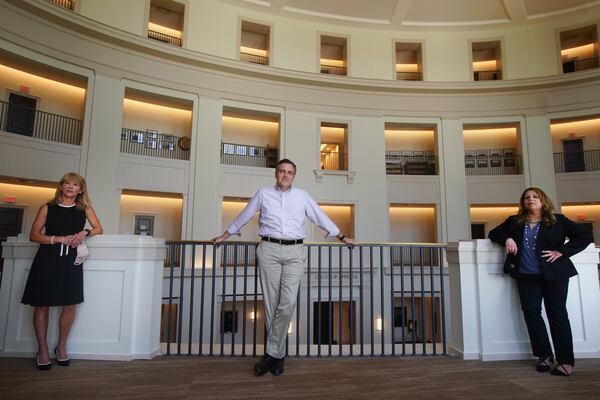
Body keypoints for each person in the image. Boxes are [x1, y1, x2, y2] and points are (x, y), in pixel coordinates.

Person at [212, 159, 355, 376]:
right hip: (268, 249)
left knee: (287, 303)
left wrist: (342, 236)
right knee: (271, 304)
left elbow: (320, 217)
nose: (285, 175)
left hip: (295, 252)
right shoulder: (263, 194)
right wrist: (226, 235)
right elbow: (246, 214)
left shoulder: (302, 196)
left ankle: (271, 354)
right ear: (276, 174)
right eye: (282, 171)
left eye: (290, 172)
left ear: (294, 176)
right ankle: (278, 358)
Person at [488, 187, 591, 377]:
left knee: (557, 315)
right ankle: (544, 355)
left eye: (535, 196)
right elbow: (494, 233)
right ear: (523, 202)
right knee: (531, 314)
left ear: (543, 200)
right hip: (526, 277)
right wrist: (508, 238)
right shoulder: (514, 221)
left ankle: (566, 361)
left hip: (555, 276)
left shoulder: (558, 220)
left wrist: (562, 252)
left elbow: (584, 236)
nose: (530, 199)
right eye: (527, 197)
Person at [21, 172, 103, 370]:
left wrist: (85, 232)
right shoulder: (47, 207)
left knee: (70, 305)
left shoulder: (84, 208)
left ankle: (62, 347)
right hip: (47, 259)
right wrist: (58, 239)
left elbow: (99, 228)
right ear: (61, 186)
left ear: (80, 189)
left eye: (75, 185)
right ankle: (42, 350)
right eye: (67, 183)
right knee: (41, 305)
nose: (70, 187)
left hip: (70, 261)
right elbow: (34, 235)